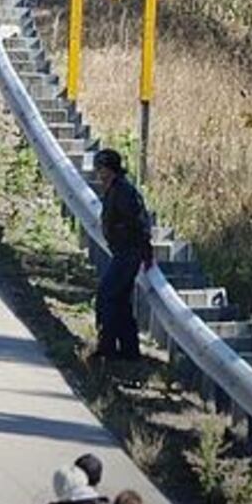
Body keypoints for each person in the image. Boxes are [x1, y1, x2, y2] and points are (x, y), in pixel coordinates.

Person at [93, 147, 151, 367]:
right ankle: (129, 351)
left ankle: (107, 348)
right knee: (120, 302)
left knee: (106, 296)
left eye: (102, 169)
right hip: (124, 252)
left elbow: (138, 223)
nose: (99, 174)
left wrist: (144, 250)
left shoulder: (123, 192)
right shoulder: (115, 189)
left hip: (128, 253)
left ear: (111, 169)